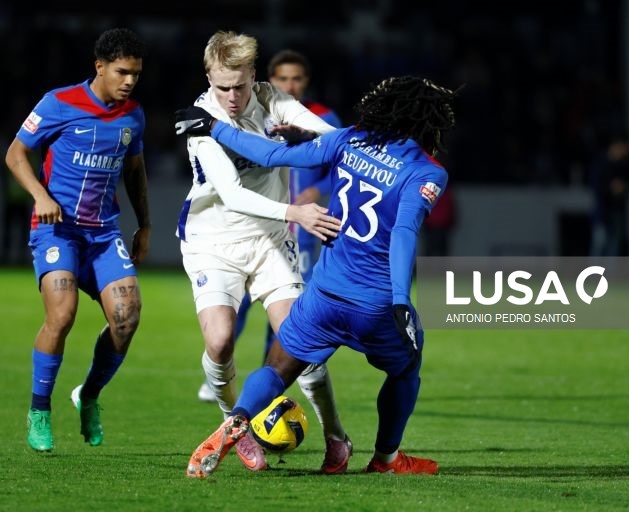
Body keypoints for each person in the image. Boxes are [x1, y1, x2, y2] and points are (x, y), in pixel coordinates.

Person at [175, 75, 457, 477]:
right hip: (374, 303)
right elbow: (404, 233)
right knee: (406, 368)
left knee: (277, 368)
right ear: (427, 123)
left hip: (323, 295)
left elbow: (271, 156)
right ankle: (386, 460)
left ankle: (236, 420)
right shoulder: (427, 172)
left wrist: (214, 127)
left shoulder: (350, 139)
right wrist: (400, 299)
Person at [176, 30, 351, 474]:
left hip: (270, 241)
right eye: (222, 87)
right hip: (213, 242)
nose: (232, 98)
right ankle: (234, 427)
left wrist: (302, 136)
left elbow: (333, 136)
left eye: (239, 86)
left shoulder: (271, 98)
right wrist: (297, 210)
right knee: (219, 342)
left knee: (302, 345)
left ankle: (336, 437)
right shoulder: (200, 121)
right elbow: (232, 193)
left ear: (254, 76)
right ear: (209, 77)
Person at [4, 28, 151, 452]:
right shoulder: (58, 103)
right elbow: (15, 153)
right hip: (57, 229)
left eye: (136, 74)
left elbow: (135, 171)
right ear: (99, 66)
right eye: (122, 72)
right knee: (63, 314)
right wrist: (40, 195)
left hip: (104, 233)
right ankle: (39, 411)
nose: (129, 81)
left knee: (126, 319)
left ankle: (88, 395)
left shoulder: (133, 114)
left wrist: (145, 225)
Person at [198, 49, 343, 401]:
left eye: (296, 79)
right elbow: (249, 173)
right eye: (282, 79)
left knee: (290, 320)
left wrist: (317, 191)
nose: (289, 85)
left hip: (301, 229)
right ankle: (241, 381)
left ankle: (272, 379)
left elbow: (343, 160)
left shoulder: (319, 117)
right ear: (269, 80)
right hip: (252, 227)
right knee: (233, 319)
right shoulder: (208, 117)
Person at [589, 136, 629, 257]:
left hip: (617, 211)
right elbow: (596, 186)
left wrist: (624, 187)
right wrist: (611, 188)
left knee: (615, 244)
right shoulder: (601, 163)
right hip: (602, 212)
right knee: (600, 243)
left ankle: (610, 274)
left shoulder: (624, 164)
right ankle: (592, 272)